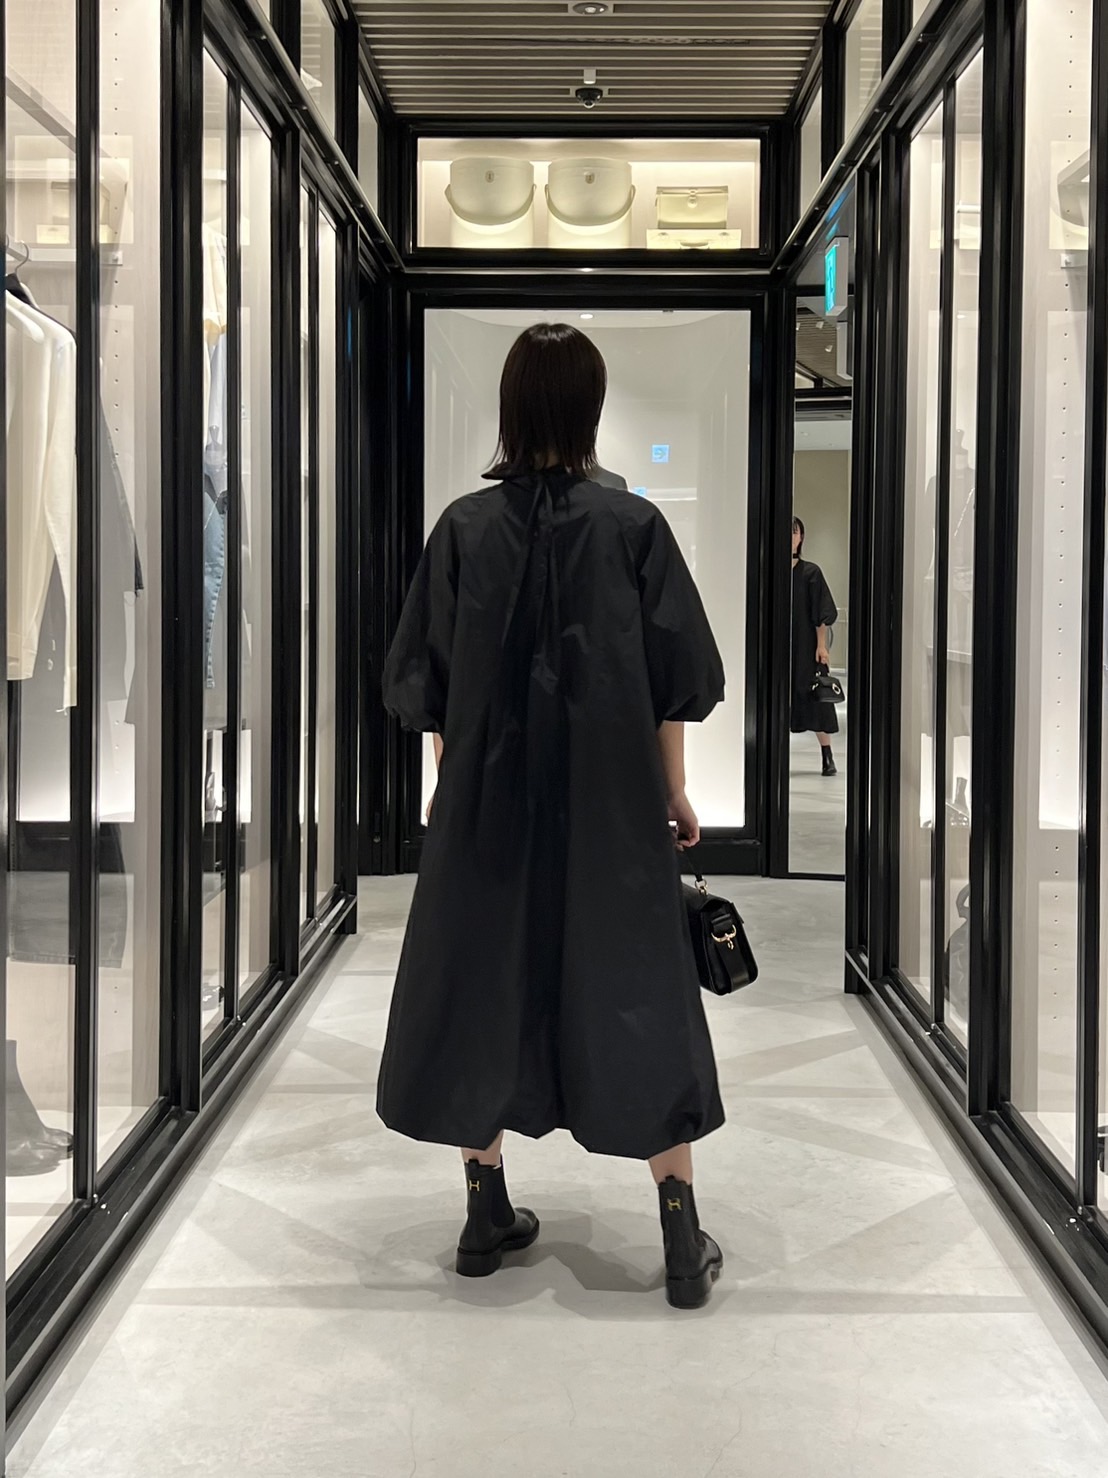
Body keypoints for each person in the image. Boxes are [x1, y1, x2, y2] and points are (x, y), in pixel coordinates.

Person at [380, 322, 727, 1310]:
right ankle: (678, 1227)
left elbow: (431, 687)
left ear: (510, 405)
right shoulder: (634, 526)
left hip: (483, 807)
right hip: (612, 808)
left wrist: (452, 783)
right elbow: (673, 681)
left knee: (480, 984)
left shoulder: (461, 528)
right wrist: (672, 789)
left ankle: (483, 1211)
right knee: (638, 987)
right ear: (591, 406)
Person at [790, 515, 839, 775]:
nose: (791, 537)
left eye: (795, 532)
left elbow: (822, 613)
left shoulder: (811, 572)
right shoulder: (770, 572)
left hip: (805, 645)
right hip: (779, 646)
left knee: (816, 698)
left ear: (801, 538)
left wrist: (822, 646)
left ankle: (827, 755)